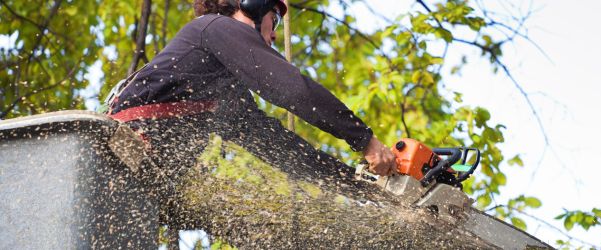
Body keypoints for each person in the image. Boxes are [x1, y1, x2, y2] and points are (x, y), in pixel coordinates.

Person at [107, 0, 396, 176]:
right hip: (123, 148)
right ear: (252, 4)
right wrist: (365, 140)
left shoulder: (223, 92)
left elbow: (279, 148)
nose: (272, 35)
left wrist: (358, 185)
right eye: (275, 18)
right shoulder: (214, 27)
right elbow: (293, 89)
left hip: (145, 171)